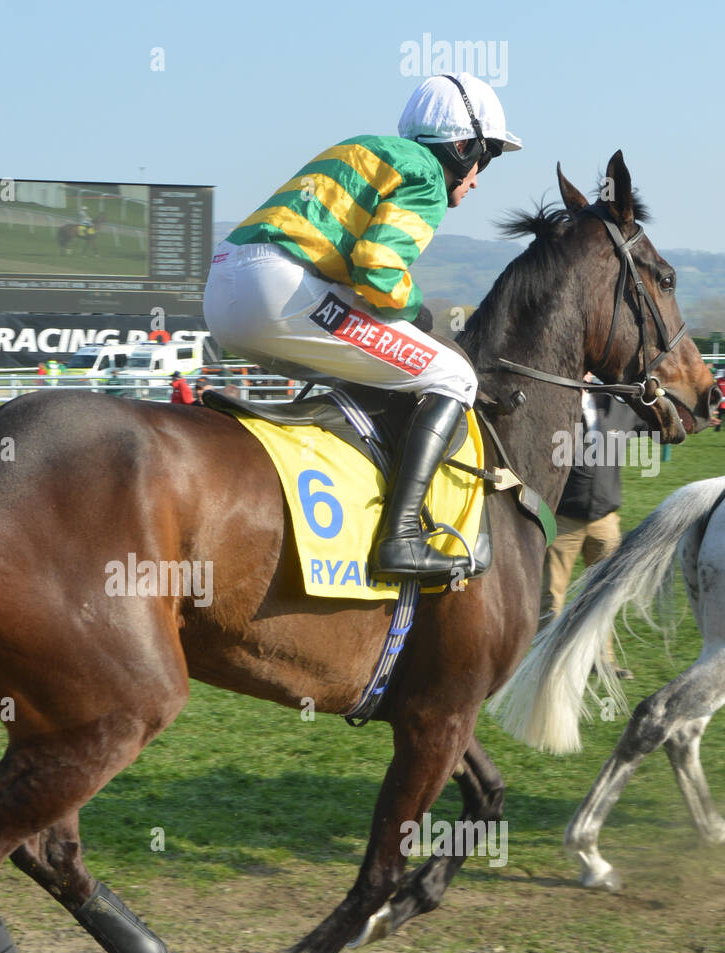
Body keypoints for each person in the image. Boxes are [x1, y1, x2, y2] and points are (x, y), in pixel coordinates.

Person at [204, 72, 521, 581]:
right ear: (462, 146)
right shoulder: (425, 175)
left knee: (375, 364)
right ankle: (401, 539)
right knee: (454, 376)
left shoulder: (365, 148)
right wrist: (414, 308)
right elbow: (378, 267)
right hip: (277, 290)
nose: (478, 178)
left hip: (224, 289)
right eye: (486, 159)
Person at [540, 375, 637, 679]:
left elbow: (657, 426)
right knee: (551, 595)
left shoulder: (617, 405)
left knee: (603, 594)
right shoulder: (556, 403)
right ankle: (548, 661)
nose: (588, 376)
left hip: (605, 520)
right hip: (563, 519)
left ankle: (602, 660)